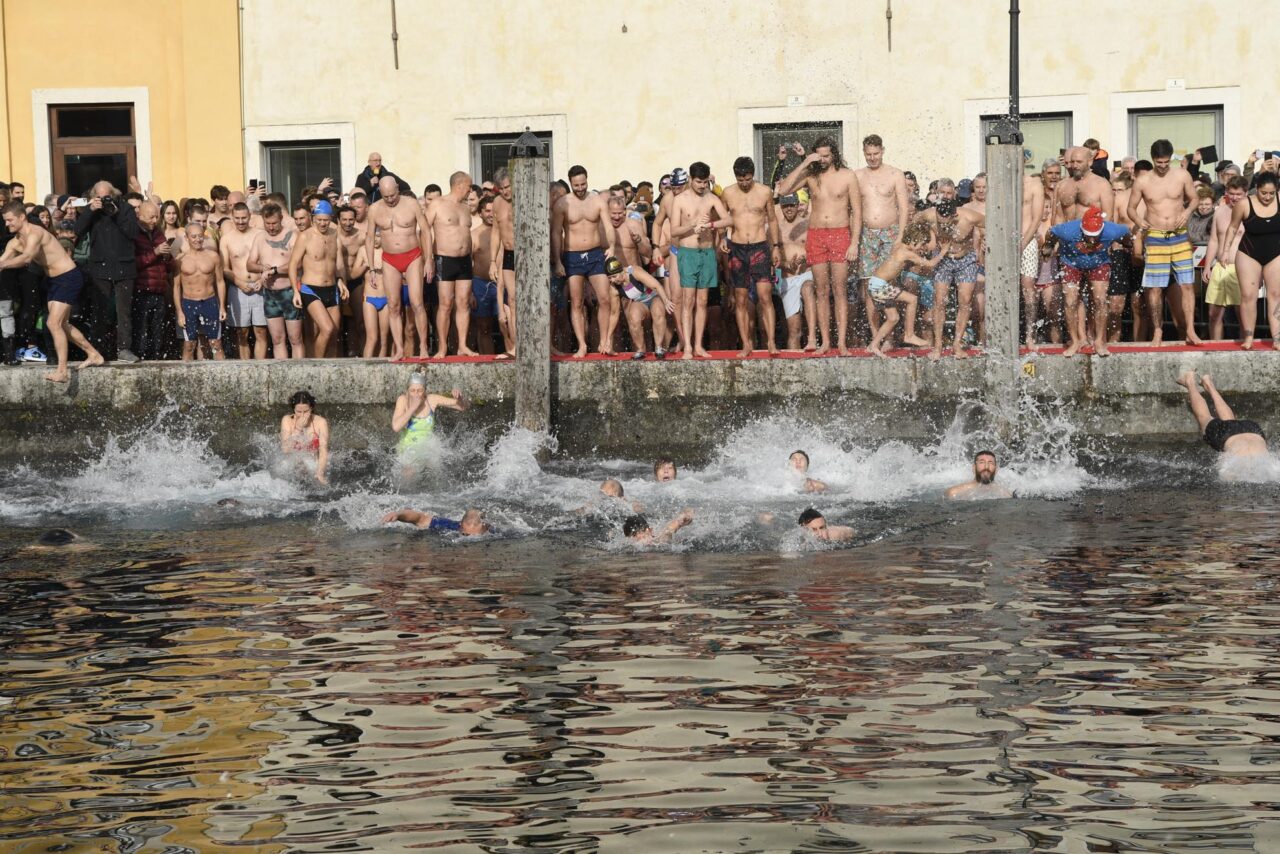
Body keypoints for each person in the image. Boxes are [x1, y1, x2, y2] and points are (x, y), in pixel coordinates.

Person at [776, 136, 863, 354]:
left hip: (840, 233)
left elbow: (858, 213)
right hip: (816, 235)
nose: (822, 160)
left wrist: (854, 243)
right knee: (821, 291)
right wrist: (805, 162)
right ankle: (825, 342)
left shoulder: (847, 176)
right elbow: (783, 190)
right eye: (819, 156)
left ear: (834, 155)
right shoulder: (810, 175)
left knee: (840, 290)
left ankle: (841, 343)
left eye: (826, 156)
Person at [0, 201, 103, 381]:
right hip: (54, 280)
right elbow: (2, 261)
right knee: (62, 324)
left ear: (22, 217)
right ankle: (93, 354)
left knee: (53, 323)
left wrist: (3, 264)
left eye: (9, 220)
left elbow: (27, 257)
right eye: (5, 221)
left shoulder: (36, 233)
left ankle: (62, 371)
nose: (7, 224)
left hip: (69, 277)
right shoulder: (14, 243)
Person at [1129, 139, 1201, 345]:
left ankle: (1190, 330)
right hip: (1156, 236)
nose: (1162, 166)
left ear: (1171, 158)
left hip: (1179, 235)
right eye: (1159, 162)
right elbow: (1131, 208)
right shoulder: (1143, 181)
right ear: (1153, 159)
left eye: (1166, 162)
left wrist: (1187, 212)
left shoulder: (1182, 175)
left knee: (1187, 284)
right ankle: (1158, 331)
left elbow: (1194, 198)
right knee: (1154, 287)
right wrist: (1138, 220)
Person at [1047, 205, 1130, 357]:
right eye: (1088, 235)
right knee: (1070, 301)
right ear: (1081, 228)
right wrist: (1048, 246)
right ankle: (1074, 341)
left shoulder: (1112, 230)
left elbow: (1126, 232)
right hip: (1070, 263)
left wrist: (1128, 244)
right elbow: (1051, 232)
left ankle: (1098, 341)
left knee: (1100, 299)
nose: (1091, 239)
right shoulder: (1068, 230)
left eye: (1095, 236)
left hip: (1099, 263)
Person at [720, 156, 783, 357]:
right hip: (737, 248)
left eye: (747, 179)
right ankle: (746, 344)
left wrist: (775, 247)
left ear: (752, 175)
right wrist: (722, 237)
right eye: (740, 179)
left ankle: (771, 342)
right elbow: (723, 218)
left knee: (765, 296)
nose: (744, 183)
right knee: (740, 298)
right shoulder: (728, 193)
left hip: (759, 247)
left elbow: (772, 220)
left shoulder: (764, 191)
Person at [72, 180, 141, 361]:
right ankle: (97, 350)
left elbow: (133, 233)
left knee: (123, 311)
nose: (103, 200)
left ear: (115, 194)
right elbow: (77, 230)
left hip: (124, 266)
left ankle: (124, 349)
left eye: (107, 196)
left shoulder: (125, 208)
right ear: (94, 197)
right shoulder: (91, 211)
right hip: (99, 266)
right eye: (99, 197)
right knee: (99, 311)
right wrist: (90, 210)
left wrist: (117, 214)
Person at [367, 175, 434, 360]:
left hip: (412, 256)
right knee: (394, 305)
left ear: (397, 188)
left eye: (393, 195)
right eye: (386, 196)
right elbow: (370, 238)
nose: (390, 199)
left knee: (416, 302)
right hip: (389, 259)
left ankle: (423, 346)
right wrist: (372, 268)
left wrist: (429, 259)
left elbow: (426, 231)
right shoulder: (374, 209)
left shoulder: (411, 204)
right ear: (380, 192)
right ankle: (398, 349)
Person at [552, 165, 617, 357]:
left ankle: (605, 341)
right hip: (572, 256)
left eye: (583, 184)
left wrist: (612, 247)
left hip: (595, 254)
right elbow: (556, 233)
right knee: (577, 302)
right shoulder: (563, 203)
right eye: (576, 185)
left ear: (587, 180)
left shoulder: (597, 201)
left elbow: (608, 226)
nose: (580, 188)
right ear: (570, 183)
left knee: (605, 299)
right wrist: (558, 261)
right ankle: (582, 345)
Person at [669, 161, 730, 359]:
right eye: (698, 182)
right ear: (690, 179)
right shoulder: (680, 199)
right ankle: (687, 346)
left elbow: (729, 220)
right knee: (688, 300)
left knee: (702, 301)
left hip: (707, 253)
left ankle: (698, 346)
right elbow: (674, 231)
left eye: (705, 182)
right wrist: (692, 225)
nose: (702, 186)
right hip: (688, 253)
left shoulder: (711, 198)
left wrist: (711, 225)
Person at [855, 134, 911, 346]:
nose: (872, 158)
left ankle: (890, 336)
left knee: (888, 284)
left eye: (876, 154)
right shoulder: (858, 175)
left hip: (890, 233)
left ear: (883, 151)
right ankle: (875, 334)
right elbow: (853, 209)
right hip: (867, 234)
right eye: (868, 154)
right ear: (864, 153)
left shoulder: (895, 174)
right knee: (869, 286)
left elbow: (904, 207)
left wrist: (900, 237)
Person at [917, 198, 985, 359]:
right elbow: (914, 222)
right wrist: (929, 238)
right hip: (943, 259)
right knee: (939, 301)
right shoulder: (929, 215)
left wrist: (983, 240)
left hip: (966, 260)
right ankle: (938, 346)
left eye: (946, 224)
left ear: (954, 216)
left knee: (965, 301)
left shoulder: (970, 217)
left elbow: (993, 226)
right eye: (940, 223)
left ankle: (957, 345)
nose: (943, 227)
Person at [865, 222, 940, 355]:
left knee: (893, 318)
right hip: (879, 286)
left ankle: (873, 345)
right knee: (912, 299)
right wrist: (944, 250)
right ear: (913, 240)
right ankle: (909, 334)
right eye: (921, 244)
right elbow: (931, 264)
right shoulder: (906, 253)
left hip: (875, 284)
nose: (922, 248)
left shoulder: (899, 248)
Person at [1226, 172, 1280, 349]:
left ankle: (1277, 338)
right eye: (1264, 193)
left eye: (1272, 193)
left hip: (1276, 253)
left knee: (1276, 295)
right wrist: (1226, 251)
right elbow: (1233, 227)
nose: (1267, 197)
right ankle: (1249, 337)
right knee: (1248, 296)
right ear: (1256, 189)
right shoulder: (1244, 203)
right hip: (1249, 253)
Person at [288, 200, 348, 357]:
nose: (323, 223)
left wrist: (341, 281)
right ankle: (317, 367)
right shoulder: (305, 236)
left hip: (332, 288)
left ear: (331, 218)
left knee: (334, 334)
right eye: (319, 220)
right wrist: (295, 291)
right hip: (311, 289)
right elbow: (293, 264)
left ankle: (330, 372)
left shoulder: (335, 235)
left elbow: (339, 264)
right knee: (326, 328)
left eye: (326, 220)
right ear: (313, 218)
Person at [428, 171, 478, 358]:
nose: (470, 190)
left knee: (463, 303)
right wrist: (428, 258)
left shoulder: (465, 208)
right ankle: (442, 347)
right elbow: (424, 231)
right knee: (446, 304)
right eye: (469, 186)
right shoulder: (437, 204)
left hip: (464, 260)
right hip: (444, 259)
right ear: (459, 185)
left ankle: (462, 345)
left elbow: (466, 236)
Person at [245, 203, 303, 359]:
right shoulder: (260, 237)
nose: (271, 227)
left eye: (274, 223)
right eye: (267, 223)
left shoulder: (292, 236)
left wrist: (274, 270)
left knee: (295, 339)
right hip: (270, 294)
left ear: (281, 219)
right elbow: (250, 264)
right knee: (277, 339)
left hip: (289, 292)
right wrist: (262, 268)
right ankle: (282, 377)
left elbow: (298, 264)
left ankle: (299, 375)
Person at [1176, 371, 1268, 463]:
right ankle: (1189, 381)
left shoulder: (1271, 469)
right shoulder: (1238, 471)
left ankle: (1208, 384)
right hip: (1230, 437)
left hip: (1254, 430)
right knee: (1204, 417)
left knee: (1230, 424)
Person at [220, 202, 268, 359]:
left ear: (250, 217)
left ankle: (260, 369)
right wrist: (239, 282)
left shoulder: (260, 234)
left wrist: (262, 279)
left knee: (261, 331)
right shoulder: (226, 239)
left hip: (260, 287)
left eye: (244, 218)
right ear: (232, 218)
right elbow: (224, 268)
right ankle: (245, 369)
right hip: (238, 288)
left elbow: (269, 261)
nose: (241, 221)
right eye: (237, 218)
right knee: (241, 333)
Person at [1203, 175, 1247, 341]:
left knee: (1243, 314)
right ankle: (1215, 347)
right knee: (1213, 313)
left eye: (1239, 194)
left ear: (1245, 194)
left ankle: (1245, 346)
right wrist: (1208, 265)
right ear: (1227, 192)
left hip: (1242, 268)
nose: (1235, 197)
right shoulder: (1219, 211)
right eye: (1232, 193)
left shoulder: (1249, 213)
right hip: (1220, 267)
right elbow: (1214, 240)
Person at [605, 254, 673, 360]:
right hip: (641, 303)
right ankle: (641, 349)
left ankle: (659, 347)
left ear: (622, 270)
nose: (612, 280)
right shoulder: (614, 289)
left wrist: (666, 301)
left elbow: (656, 285)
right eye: (609, 278)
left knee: (658, 311)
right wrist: (608, 338)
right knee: (633, 316)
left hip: (655, 297)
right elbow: (614, 314)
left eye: (614, 276)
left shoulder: (634, 272)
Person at [174, 223, 226, 361]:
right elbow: (176, 287)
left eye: (200, 236)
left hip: (209, 302)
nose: (197, 239)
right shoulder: (180, 259)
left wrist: (222, 307)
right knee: (189, 344)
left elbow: (220, 282)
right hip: (189, 304)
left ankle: (221, 379)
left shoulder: (213, 256)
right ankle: (186, 380)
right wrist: (179, 312)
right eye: (194, 236)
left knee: (216, 343)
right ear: (186, 238)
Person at [391, 372, 469, 464]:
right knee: (409, 472)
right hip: (408, 450)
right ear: (407, 391)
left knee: (435, 468)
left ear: (424, 392)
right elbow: (396, 427)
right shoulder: (403, 400)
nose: (416, 394)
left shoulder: (431, 400)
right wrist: (412, 407)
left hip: (428, 448)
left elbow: (462, 407)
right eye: (412, 390)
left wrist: (459, 398)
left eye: (420, 390)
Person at [1020, 163, 1056, 350]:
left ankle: (1030, 335)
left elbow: (1036, 218)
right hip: (1005, 241)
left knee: (1028, 288)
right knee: (1001, 289)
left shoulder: (1034, 184)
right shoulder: (999, 183)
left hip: (1027, 240)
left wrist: (1023, 243)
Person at [131, 201, 173, 361]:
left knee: (158, 333)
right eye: (151, 217)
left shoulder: (158, 233)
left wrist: (168, 256)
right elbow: (132, 264)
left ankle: (157, 360)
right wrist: (155, 252)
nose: (155, 221)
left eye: (157, 217)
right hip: (142, 290)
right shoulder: (133, 234)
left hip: (159, 290)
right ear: (140, 216)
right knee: (141, 333)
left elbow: (167, 266)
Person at [777, 194, 815, 351]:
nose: (789, 208)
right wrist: (786, 264)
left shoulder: (808, 224)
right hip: (788, 278)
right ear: (781, 206)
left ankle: (812, 337)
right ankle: (793, 365)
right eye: (786, 206)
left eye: (792, 205)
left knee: (807, 288)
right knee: (794, 331)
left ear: (797, 204)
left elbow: (817, 250)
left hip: (807, 272)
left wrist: (806, 257)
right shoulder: (776, 229)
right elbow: (772, 258)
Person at [488, 167, 517, 356]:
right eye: (502, 188)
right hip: (508, 254)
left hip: (527, 255)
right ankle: (516, 346)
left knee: (531, 303)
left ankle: (541, 344)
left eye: (508, 187)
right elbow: (496, 232)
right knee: (512, 301)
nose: (506, 191)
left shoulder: (523, 199)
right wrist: (492, 260)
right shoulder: (497, 203)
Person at [470, 196, 503, 356]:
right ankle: (488, 360)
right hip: (480, 284)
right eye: (487, 211)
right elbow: (466, 265)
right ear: (480, 213)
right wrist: (470, 292)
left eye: (493, 210)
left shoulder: (506, 231)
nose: (491, 214)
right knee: (483, 327)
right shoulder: (474, 235)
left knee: (507, 322)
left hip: (503, 283)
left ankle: (511, 356)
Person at [336, 204, 369, 356]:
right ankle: (340, 355)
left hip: (355, 281)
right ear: (338, 220)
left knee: (360, 322)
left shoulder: (361, 236)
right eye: (344, 220)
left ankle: (361, 354)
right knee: (337, 324)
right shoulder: (332, 235)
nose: (348, 223)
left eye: (351, 219)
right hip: (336, 281)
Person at [279, 390, 330, 485]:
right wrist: (298, 428)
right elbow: (285, 449)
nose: (302, 415)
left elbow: (323, 450)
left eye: (306, 411)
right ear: (293, 409)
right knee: (283, 468)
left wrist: (320, 472)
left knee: (314, 471)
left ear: (311, 408)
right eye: (298, 411)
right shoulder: (287, 420)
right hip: (292, 462)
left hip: (311, 461)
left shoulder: (320, 422)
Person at [944, 450, 1013, 499]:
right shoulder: (954, 492)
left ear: (996, 470)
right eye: (982, 462)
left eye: (990, 463)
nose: (986, 467)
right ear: (974, 468)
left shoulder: (1007, 495)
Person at [382, 507, 491, 535]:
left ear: (484, 528)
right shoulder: (449, 526)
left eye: (477, 535)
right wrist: (398, 514)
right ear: (460, 526)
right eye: (465, 534)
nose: (471, 538)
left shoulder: (494, 532)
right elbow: (419, 518)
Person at [623, 509, 694, 544]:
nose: (635, 539)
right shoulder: (631, 544)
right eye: (632, 536)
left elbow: (670, 527)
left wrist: (682, 519)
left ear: (649, 530)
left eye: (636, 534)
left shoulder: (659, 539)